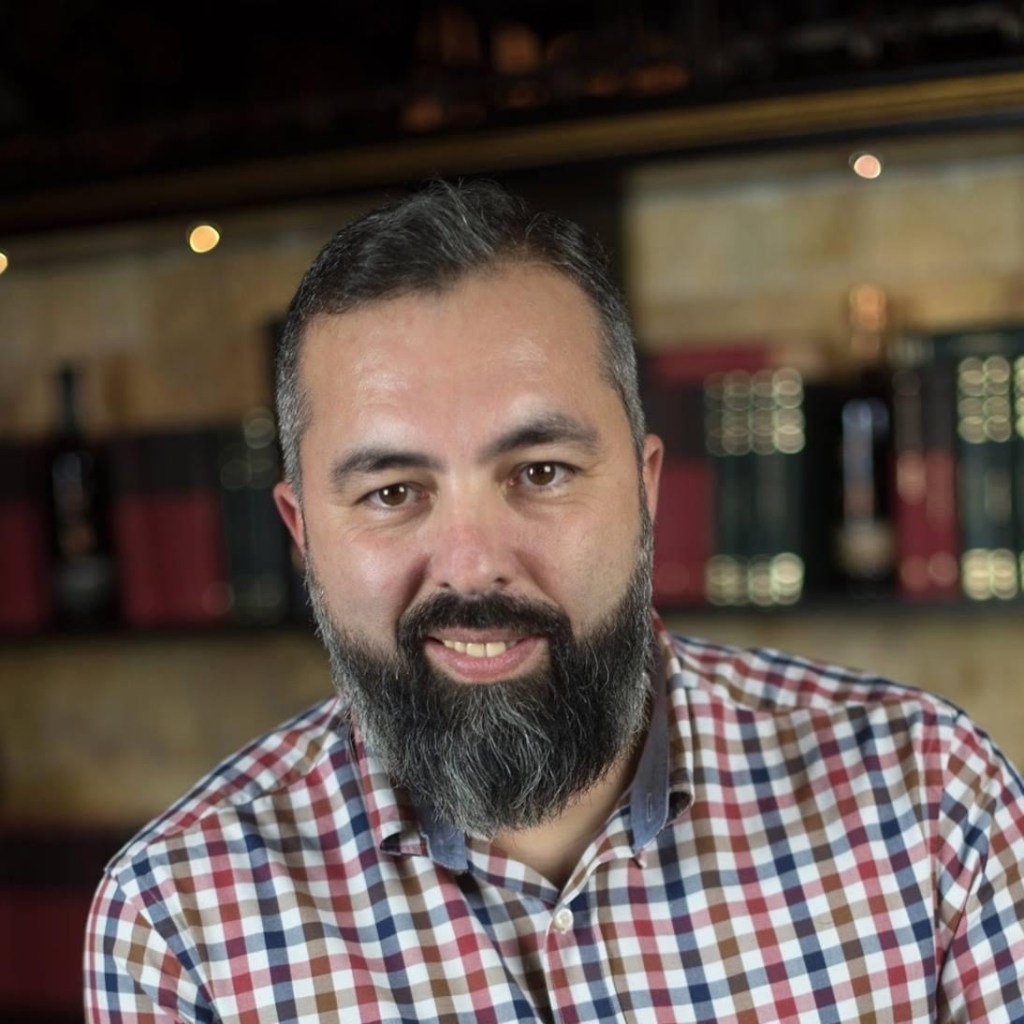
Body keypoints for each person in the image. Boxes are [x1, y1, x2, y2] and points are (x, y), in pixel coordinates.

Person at [85, 179, 1024, 1023]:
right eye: (392, 492)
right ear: (303, 535)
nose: (472, 566)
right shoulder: (176, 921)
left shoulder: (934, 799)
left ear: (645, 488)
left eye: (541, 471)